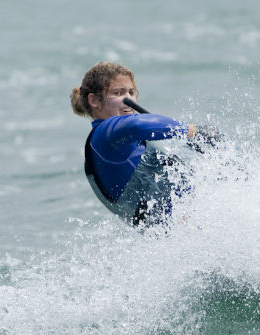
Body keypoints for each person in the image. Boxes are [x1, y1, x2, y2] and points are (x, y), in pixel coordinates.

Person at [71, 61, 220, 226]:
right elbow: (136, 125)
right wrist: (191, 131)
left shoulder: (125, 142)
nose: (128, 98)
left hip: (192, 226)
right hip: (189, 227)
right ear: (94, 100)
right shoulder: (105, 135)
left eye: (131, 92)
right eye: (117, 93)